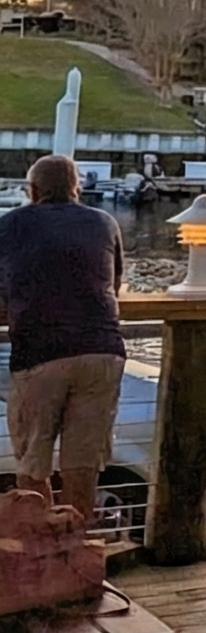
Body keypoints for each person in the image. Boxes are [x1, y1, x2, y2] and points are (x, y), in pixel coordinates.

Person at [0, 153, 125, 523]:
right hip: (103, 348)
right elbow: (115, 284)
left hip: (40, 352)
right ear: (76, 189)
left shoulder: (9, 226)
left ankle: (47, 548)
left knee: (33, 463)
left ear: (33, 191)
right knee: (83, 464)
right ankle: (76, 547)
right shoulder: (105, 223)